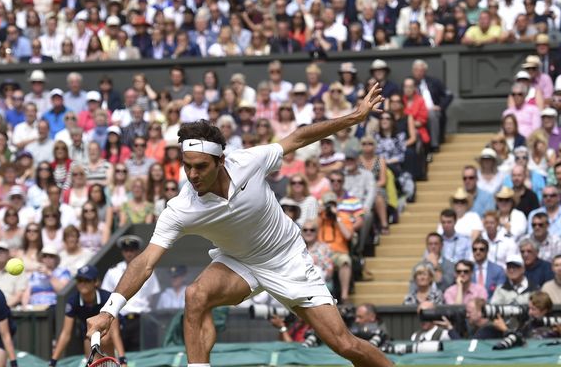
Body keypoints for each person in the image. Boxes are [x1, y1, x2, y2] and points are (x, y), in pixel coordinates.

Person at [87, 86, 392, 367]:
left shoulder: (249, 161)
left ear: (221, 162)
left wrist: (355, 116)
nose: (192, 174)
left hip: (286, 258)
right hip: (239, 262)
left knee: (344, 345)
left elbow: (299, 137)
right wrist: (109, 310)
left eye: (201, 166)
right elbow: (145, 262)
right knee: (195, 295)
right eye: (186, 164)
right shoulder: (181, 208)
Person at [50, 265, 127, 366]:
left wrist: (123, 360)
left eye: (87, 280)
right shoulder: (73, 301)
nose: (82, 284)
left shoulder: (107, 298)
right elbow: (66, 333)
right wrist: (52, 362)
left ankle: (114, 361)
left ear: (96, 282)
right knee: (91, 356)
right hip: (89, 332)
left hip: (112, 329)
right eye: (79, 280)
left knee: (104, 339)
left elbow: (115, 333)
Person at [100, 235, 161, 351]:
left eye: (132, 250)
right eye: (126, 250)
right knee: (121, 355)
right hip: (120, 320)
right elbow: (106, 295)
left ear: (137, 251)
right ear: (122, 252)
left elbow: (153, 296)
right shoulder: (113, 271)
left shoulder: (148, 270)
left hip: (142, 320)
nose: (129, 253)